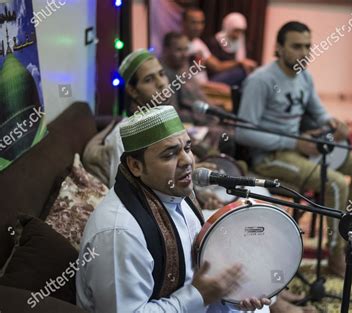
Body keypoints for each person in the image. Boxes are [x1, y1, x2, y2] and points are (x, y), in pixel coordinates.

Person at [76, 105, 272, 312]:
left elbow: (194, 275)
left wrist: (230, 293)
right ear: (136, 166)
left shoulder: (174, 192)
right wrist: (199, 295)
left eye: (187, 148)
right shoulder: (119, 234)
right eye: (170, 154)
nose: (188, 160)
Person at [235, 21, 352, 281]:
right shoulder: (260, 81)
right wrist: (293, 143)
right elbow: (243, 133)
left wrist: (333, 123)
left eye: (308, 46)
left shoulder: (304, 77)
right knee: (333, 185)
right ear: (279, 48)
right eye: (296, 46)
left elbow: (319, 113)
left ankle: (349, 239)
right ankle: (335, 259)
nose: (305, 52)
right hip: (270, 158)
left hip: (300, 149)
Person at [182, 7, 256, 87]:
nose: (198, 27)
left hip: (206, 81)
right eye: (194, 23)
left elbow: (217, 65)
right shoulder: (216, 41)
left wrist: (240, 62)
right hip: (195, 85)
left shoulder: (199, 43)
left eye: (201, 23)